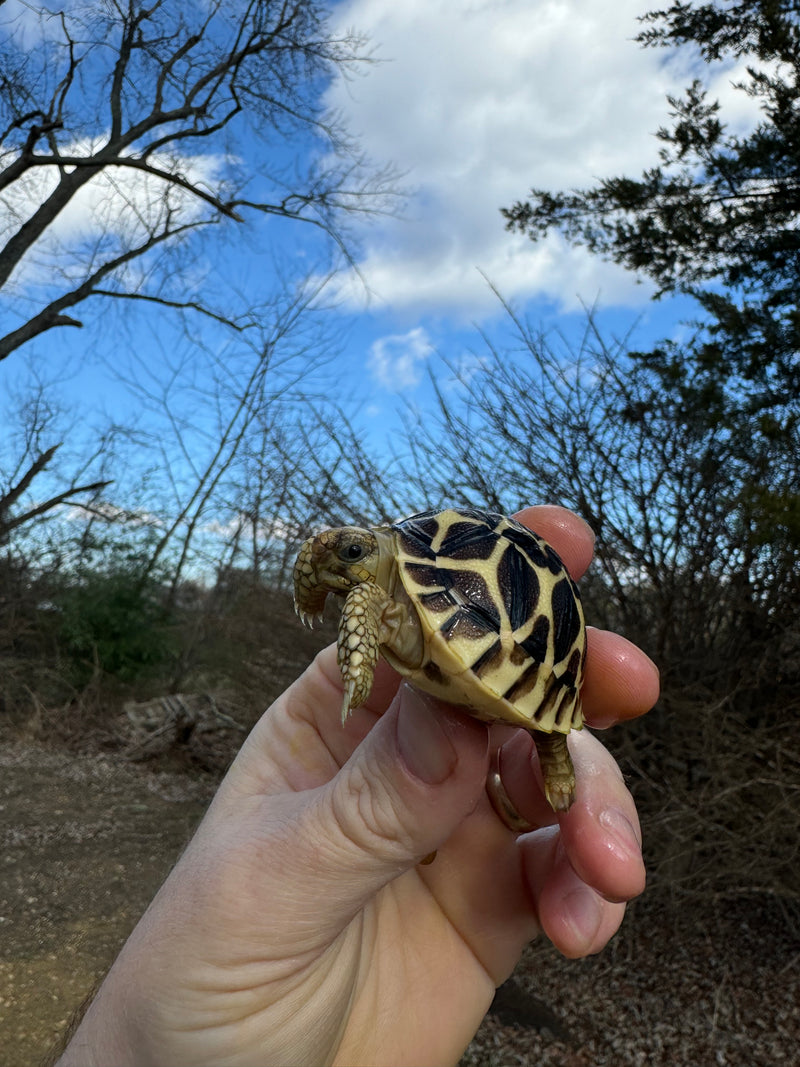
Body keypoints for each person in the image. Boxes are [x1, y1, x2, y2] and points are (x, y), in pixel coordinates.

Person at [56, 506, 658, 1067]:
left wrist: (359, 658)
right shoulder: (384, 583)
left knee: (546, 729)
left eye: (351, 554)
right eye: (345, 555)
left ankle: (552, 742)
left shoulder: (379, 594)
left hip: (518, 648)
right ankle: (548, 739)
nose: (346, 567)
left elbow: (367, 604)